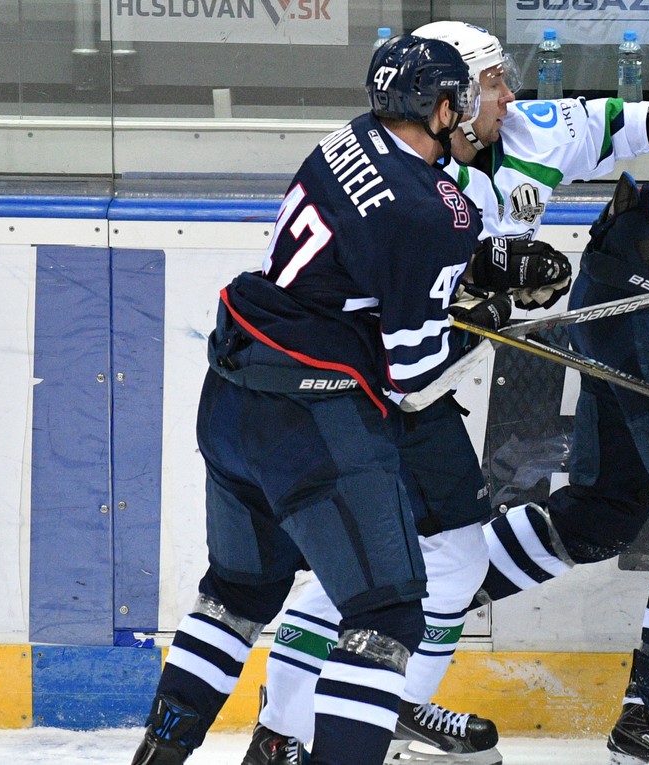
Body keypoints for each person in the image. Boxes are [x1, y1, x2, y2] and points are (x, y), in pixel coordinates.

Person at [239, 20, 649, 765]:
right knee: (367, 558)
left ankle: (384, 704)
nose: (508, 96)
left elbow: (621, 122)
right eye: (491, 84)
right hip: (359, 383)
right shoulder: (410, 178)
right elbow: (411, 316)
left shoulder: (524, 129)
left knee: (441, 546)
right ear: (444, 97)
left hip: (420, 382)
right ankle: (287, 730)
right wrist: (491, 288)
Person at [128, 35, 487, 765]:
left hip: (232, 395)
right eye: (460, 99)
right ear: (440, 105)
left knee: (236, 593)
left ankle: (159, 755)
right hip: (312, 418)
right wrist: (491, 318)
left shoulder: (346, 139)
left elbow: (362, 256)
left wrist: (470, 278)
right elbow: (413, 374)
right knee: (385, 613)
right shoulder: (435, 210)